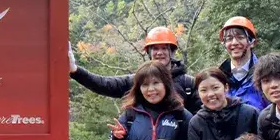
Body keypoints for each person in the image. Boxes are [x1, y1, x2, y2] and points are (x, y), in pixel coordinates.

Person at [69, 26, 201, 113]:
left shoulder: (188, 83)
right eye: (155, 48)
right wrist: (75, 70)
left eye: (164, 48)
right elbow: (104, 84)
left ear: (171, 51)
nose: (159, 53)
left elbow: (199, 118)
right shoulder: (138, 81)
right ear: (149, 52)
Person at [218, 17, 267, 110]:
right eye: (229, 39)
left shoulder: (265, 74)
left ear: (252, 42)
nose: (234, 43)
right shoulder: (219, 78)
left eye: (240, 37)